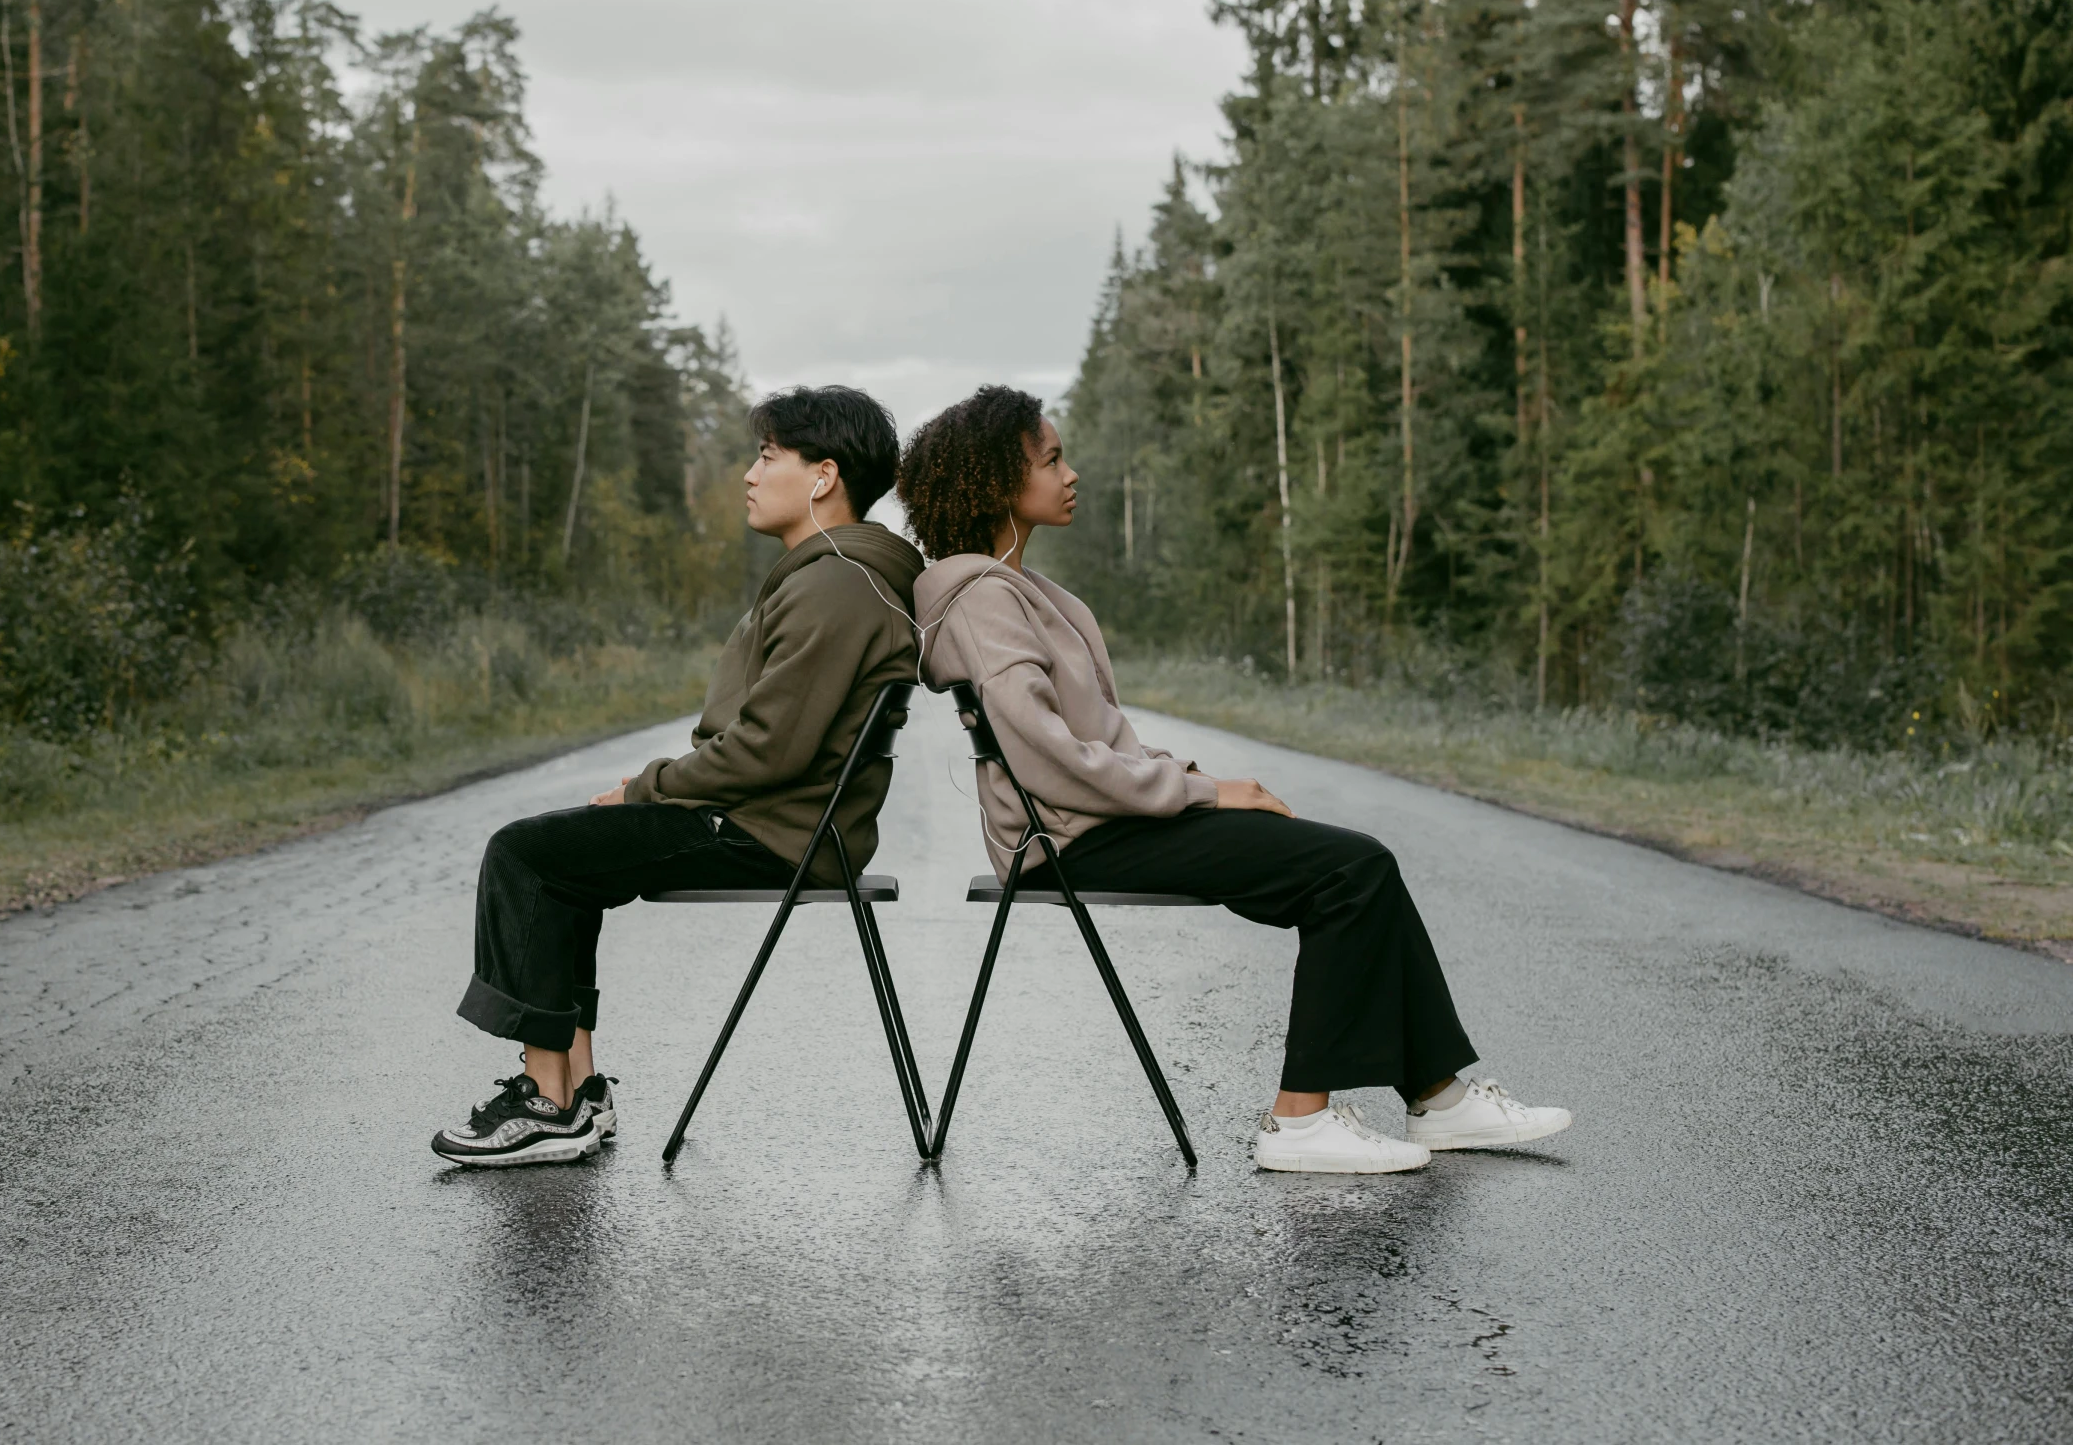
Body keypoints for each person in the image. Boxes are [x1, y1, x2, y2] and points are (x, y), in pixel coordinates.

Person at [894, 384, 1571, 1174]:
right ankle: (1301, 1120)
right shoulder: (981, 599)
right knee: (1349, 868)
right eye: (1052, 460)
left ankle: (1439, 1098)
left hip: (1095, 822)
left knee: (1353, 862)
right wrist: (1207, 793)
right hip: (1070, 839)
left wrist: (1192, 778)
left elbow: (1092, 742)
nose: (1072, 473)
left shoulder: (1021, 590)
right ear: (999, 485)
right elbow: (1049, 757)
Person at [433, 385, 923, 1167]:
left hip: (771, 830)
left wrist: (647, 786)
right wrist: (652, 785)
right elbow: (773, 740)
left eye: (767, 456)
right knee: (567, 856)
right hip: (781, 820)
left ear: (824, 475)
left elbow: (771, 749)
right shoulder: (837, 573)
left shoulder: (837, 582)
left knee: (526, 854)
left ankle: (549, 1102)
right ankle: (575, 1092)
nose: (749, 474)